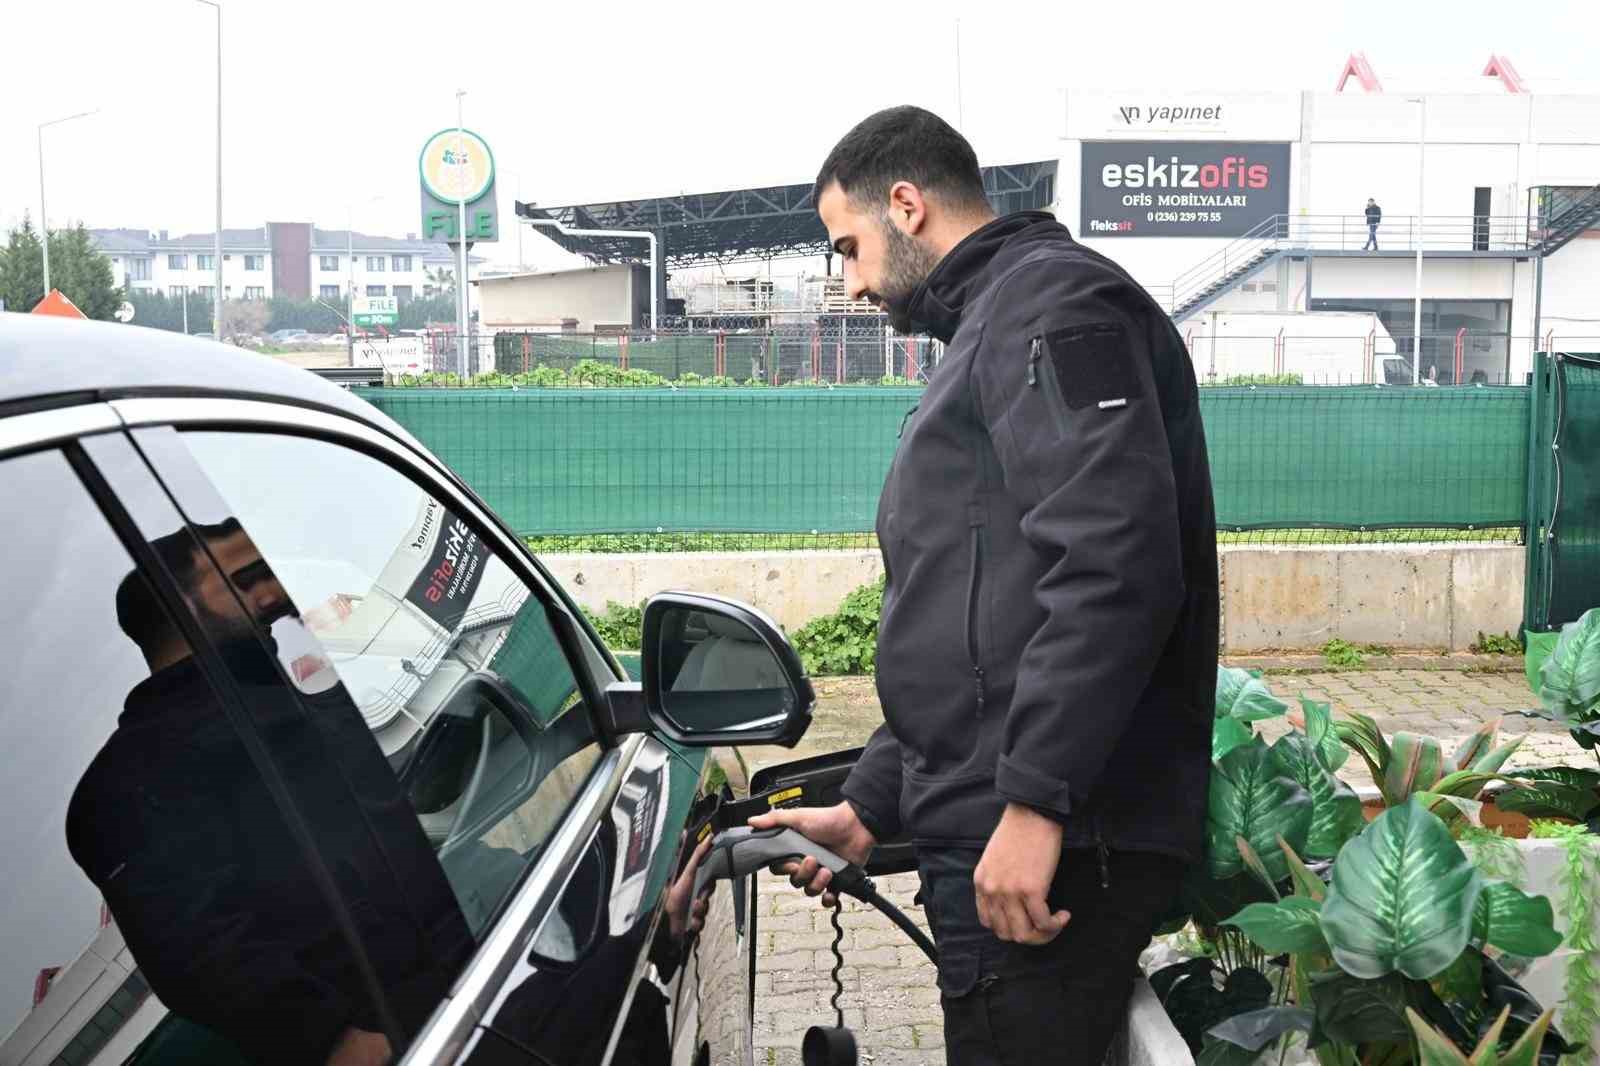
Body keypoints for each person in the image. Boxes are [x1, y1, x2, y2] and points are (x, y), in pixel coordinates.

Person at [750, 105, 1218, 1065]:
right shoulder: (996, 323)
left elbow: (1113, 568)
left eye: (849, 247)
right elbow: (977, 623)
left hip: (1053, 845)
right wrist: (872, 802)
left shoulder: (1052, 309)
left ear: (908, 205)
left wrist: (1039, 806)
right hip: (1001, 816)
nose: (852, 282)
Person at [67, 520, 472, 1066]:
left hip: (480, 967)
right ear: (180, 605)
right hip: (424, 1034)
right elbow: (204, 952)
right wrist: (334, 1040)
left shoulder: (304, 693)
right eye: (252, 578)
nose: (278, 593)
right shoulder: (125, 784)